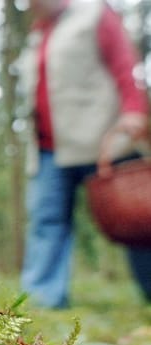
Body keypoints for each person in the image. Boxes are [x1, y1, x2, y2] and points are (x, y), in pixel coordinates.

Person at [17, 0, 151, 308]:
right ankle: (42, 300)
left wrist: (133, 111)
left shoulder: (93, 13)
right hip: (47, 150)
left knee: (138, 219)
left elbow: (123, 62)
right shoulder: (37, 34)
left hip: (102, 139)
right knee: (46, 221)